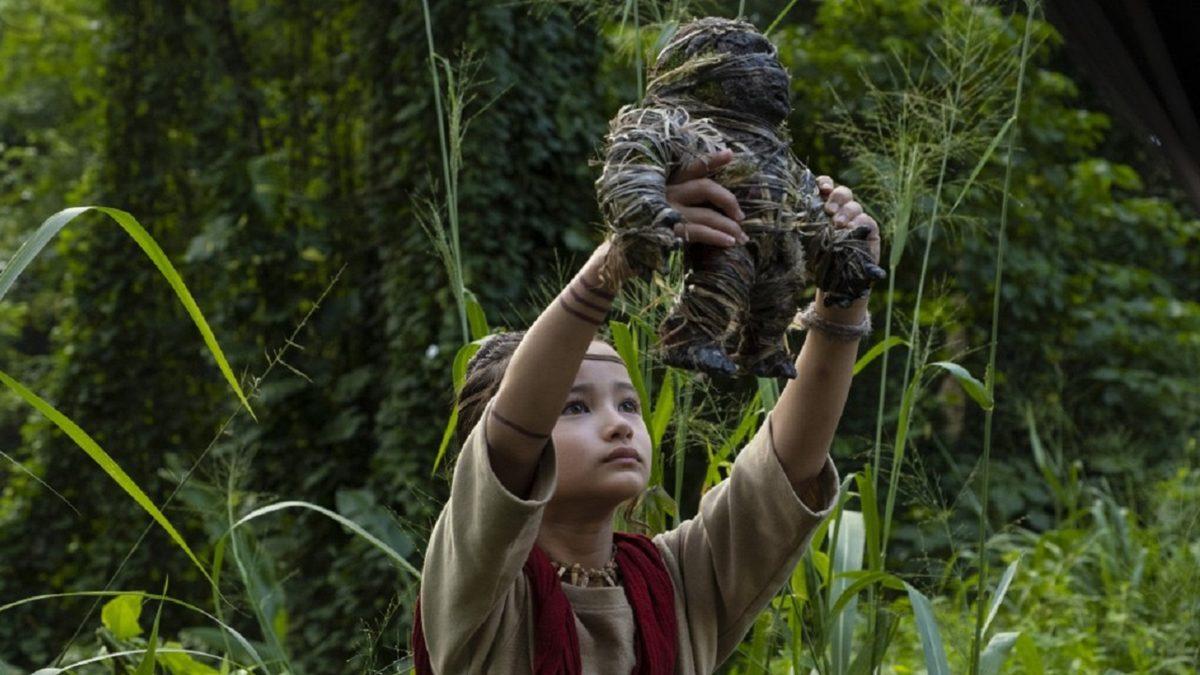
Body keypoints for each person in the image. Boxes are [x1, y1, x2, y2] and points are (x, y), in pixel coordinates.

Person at [412, 148, 882, 674]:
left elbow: (785, 469)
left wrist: (844, 296)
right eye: (573, 407)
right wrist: (623, 252)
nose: (617, 424)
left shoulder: (678, 582)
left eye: (629, 403)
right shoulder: (473, 585)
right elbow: (513, 432)